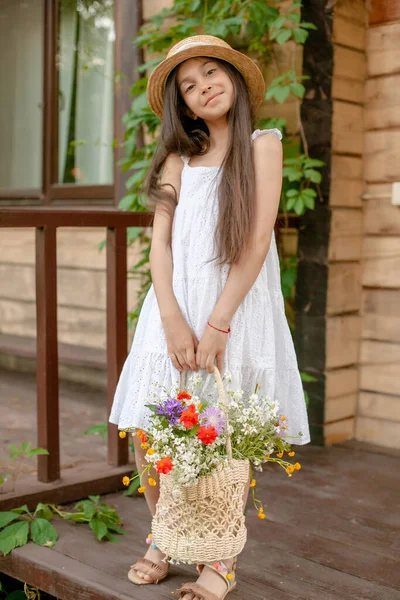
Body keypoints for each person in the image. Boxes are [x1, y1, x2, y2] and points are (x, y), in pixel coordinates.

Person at [109, 34, 311, 600]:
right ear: (184, 104)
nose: (204, 88)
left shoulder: (261, 145)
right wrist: (172, 316)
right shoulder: (179, 156)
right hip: (173, 306)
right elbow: (161, 246)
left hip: (234, 307)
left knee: (220, 433)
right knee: (154, 428)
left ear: (233, 77)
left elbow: (255, 239)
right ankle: (163, 537)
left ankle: (219, 560)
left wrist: (219, 321)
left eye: (209, 73)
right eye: (190, 86)